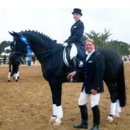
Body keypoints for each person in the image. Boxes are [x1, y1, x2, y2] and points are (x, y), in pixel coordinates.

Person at [67, 39, 105, 130]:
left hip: (95, 86)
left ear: (93, 46)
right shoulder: (86, 56)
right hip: (86, 85)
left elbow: (100, 73)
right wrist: (75, 72)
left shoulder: (98, 56)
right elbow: (83, 69)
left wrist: (95, 87)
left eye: (90, 45)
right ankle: (84, 123)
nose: (88, 46)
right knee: (81, 102)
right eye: (87, 45)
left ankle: (96, 126)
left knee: (94, 104)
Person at [64, 8, 86, 72]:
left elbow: (78, 36)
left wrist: (68, 42)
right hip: (73, 42)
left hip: (78, 43)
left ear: (80, 15)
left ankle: (74, 72)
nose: (75, 16)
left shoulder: (80, 24)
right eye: (74, 14)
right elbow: (71, 36)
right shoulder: (74, 25)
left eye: (76, 14)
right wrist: (65, 42)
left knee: (72, 55)